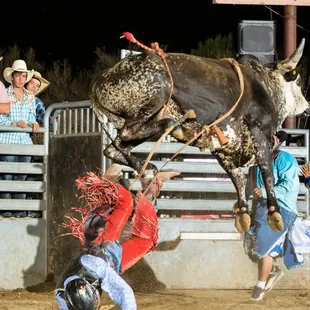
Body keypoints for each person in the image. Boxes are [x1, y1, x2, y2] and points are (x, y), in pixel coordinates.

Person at [55, 164, 180, 310]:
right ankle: (152, 185)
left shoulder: (97, 267)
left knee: (126, 202)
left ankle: (108, 182)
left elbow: (124, 293)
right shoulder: (63, 299)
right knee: (147, 240)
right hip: (113, 260)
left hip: (102, 243)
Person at [244, 130, 302, 301]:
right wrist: (242, 202)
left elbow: (288, 185)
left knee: (264, 248)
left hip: (281, 208)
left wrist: (265, 192)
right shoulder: (257, 161)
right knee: (251, 247)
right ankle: (272, 271)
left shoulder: (285, 160)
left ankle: (259, 288)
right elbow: (251, 184)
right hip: (261, 207)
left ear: (277, 141)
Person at [0, 60, 39, 205]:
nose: (21, 79)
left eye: (24, 76)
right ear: (12, 77)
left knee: (21, 178)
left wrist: (33, 123)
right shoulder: (4, 94)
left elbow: (31, 116)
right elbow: (0, 119)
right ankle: (8, 209)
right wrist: (14, 123)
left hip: (25, 143)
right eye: (18, 76)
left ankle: (20, 210)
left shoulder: (30, 96)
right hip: (7, 140)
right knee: (7, 177)